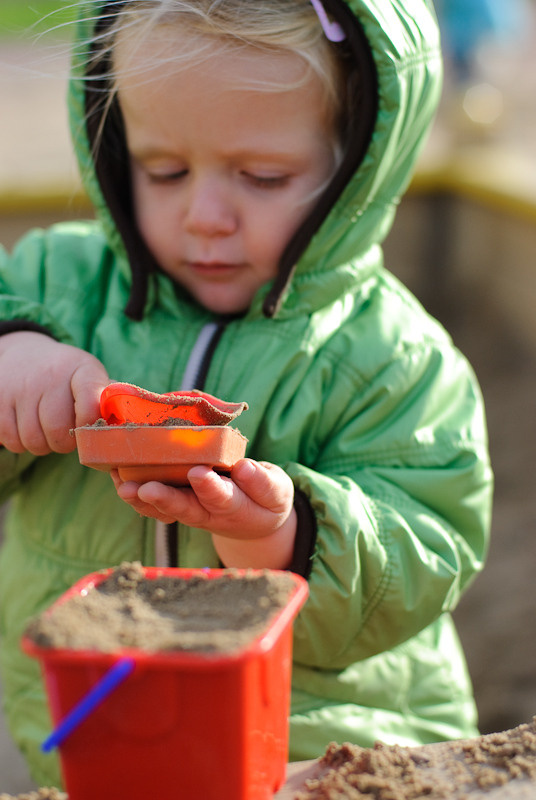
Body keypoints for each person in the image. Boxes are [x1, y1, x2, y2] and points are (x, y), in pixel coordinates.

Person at [0, 0, 493, 788]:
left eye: (263, 177)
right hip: (100, 720)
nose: (205, 218)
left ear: (360, 161)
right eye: (163, 170)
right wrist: (10, 356)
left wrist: (286, 535)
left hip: (328, 741)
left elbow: (432, 540)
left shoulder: (391, 357)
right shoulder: (53, 291)